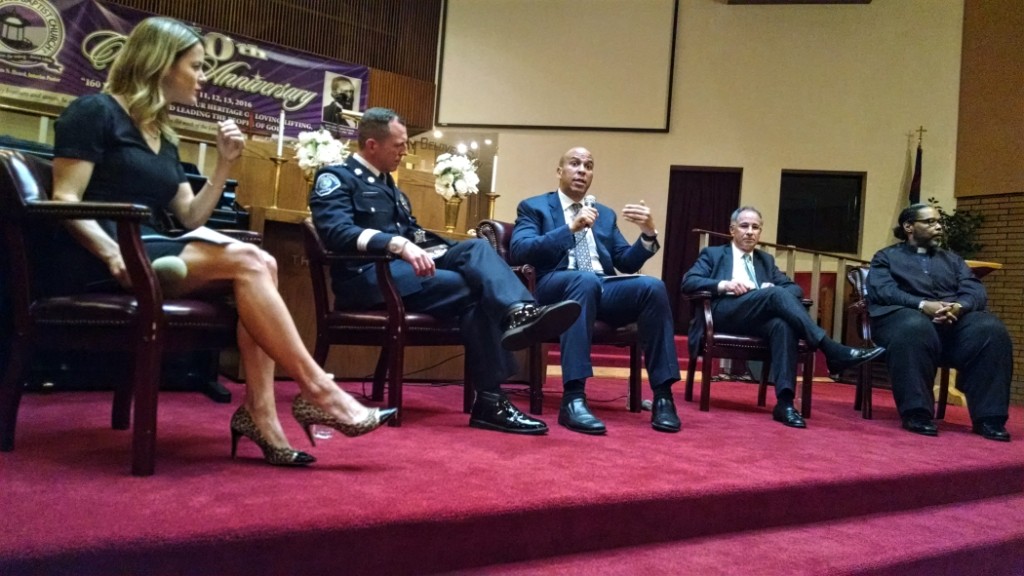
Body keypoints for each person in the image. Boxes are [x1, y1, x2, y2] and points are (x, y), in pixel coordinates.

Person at [47, 16, 396, 468]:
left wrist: (224, 165)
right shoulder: (93, 112)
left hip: (155, 250)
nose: (204, 77)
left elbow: (190, 215)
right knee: (253, 260)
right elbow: (64, 199)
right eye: (195, 66)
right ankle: (319, 391)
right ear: (159, 64)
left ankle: (261, 414)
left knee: (260, 264)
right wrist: (112, 252)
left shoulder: (162, 135)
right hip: (105, 255)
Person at [308, 107, 581, 435]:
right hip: (365, 279)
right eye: (399, 145)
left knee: (478, 251)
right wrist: (396, 244)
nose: (404, 151)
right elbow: (335, 232)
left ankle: (519, 315)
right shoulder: (336, 178)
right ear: (371, 145)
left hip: (402, 275)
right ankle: (493, 394)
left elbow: (416, 235)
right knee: (474, 286)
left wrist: (453, 249)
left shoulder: (391, 189)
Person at [509, 147, 682, 435]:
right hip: (555, 284)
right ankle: (573, 398)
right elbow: (519, 250)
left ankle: (663, 396)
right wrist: (569, 229)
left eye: (588, 166)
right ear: (559, 171)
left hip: (601, 286)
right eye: (574, 164)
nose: (582, 170)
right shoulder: (534, 207)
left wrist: (648, 234)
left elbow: (625, 261)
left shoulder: (605, 215)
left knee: (653, 286)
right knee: (584, 281)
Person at [681, 206, 884, 428]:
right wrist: (724, 284)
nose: (750, 231)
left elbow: (794, 289)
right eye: (744, 226)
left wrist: (770, 290)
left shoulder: (765, 261)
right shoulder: (713, 254)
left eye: (755, 227)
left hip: (757, 318)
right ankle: (829, 348)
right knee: (775, 294)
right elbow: (689, 282)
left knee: (782, 324)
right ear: (732, 230)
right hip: (724, 312)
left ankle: (785, 403)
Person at [867, 204, 1012, 441]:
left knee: (991, 330)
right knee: (915, 326)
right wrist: (923, 305)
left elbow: (975, 291)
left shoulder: (953, 260)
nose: (938, 227)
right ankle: (917, 413)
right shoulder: (886, 257)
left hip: (951, 324)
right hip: (903, 321)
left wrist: (959, 307)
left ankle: (989, 419)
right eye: (930, 222)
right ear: (909, 227)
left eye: (939, 222)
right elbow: (884, 292)